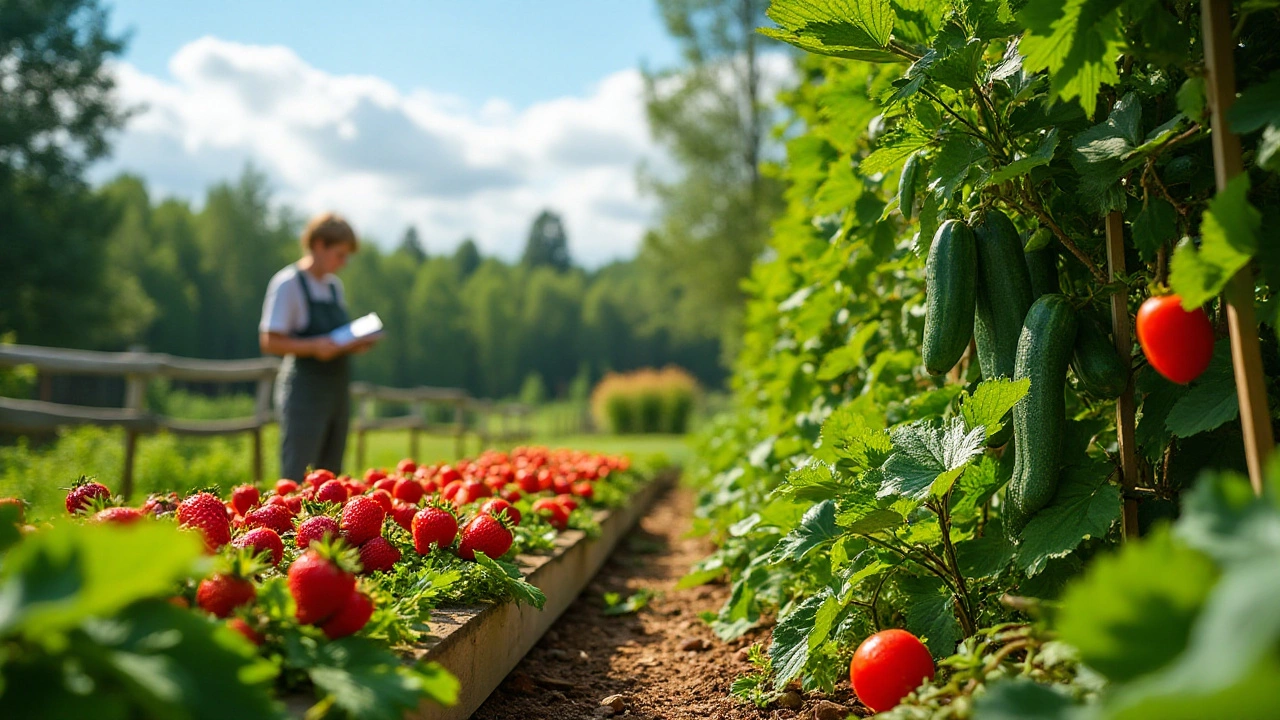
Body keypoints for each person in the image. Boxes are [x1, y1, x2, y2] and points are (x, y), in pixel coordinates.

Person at [259, 212, 375, 481]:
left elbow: (337, 336)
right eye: (340, 254)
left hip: (336, 388)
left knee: (330, 474)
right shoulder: (288, 283)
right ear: (319, 245)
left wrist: (353, 344)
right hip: (305, 391)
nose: (343, 263)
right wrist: (314, 347)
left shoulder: (334, 287)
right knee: (298, 472)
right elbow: (269, 340)